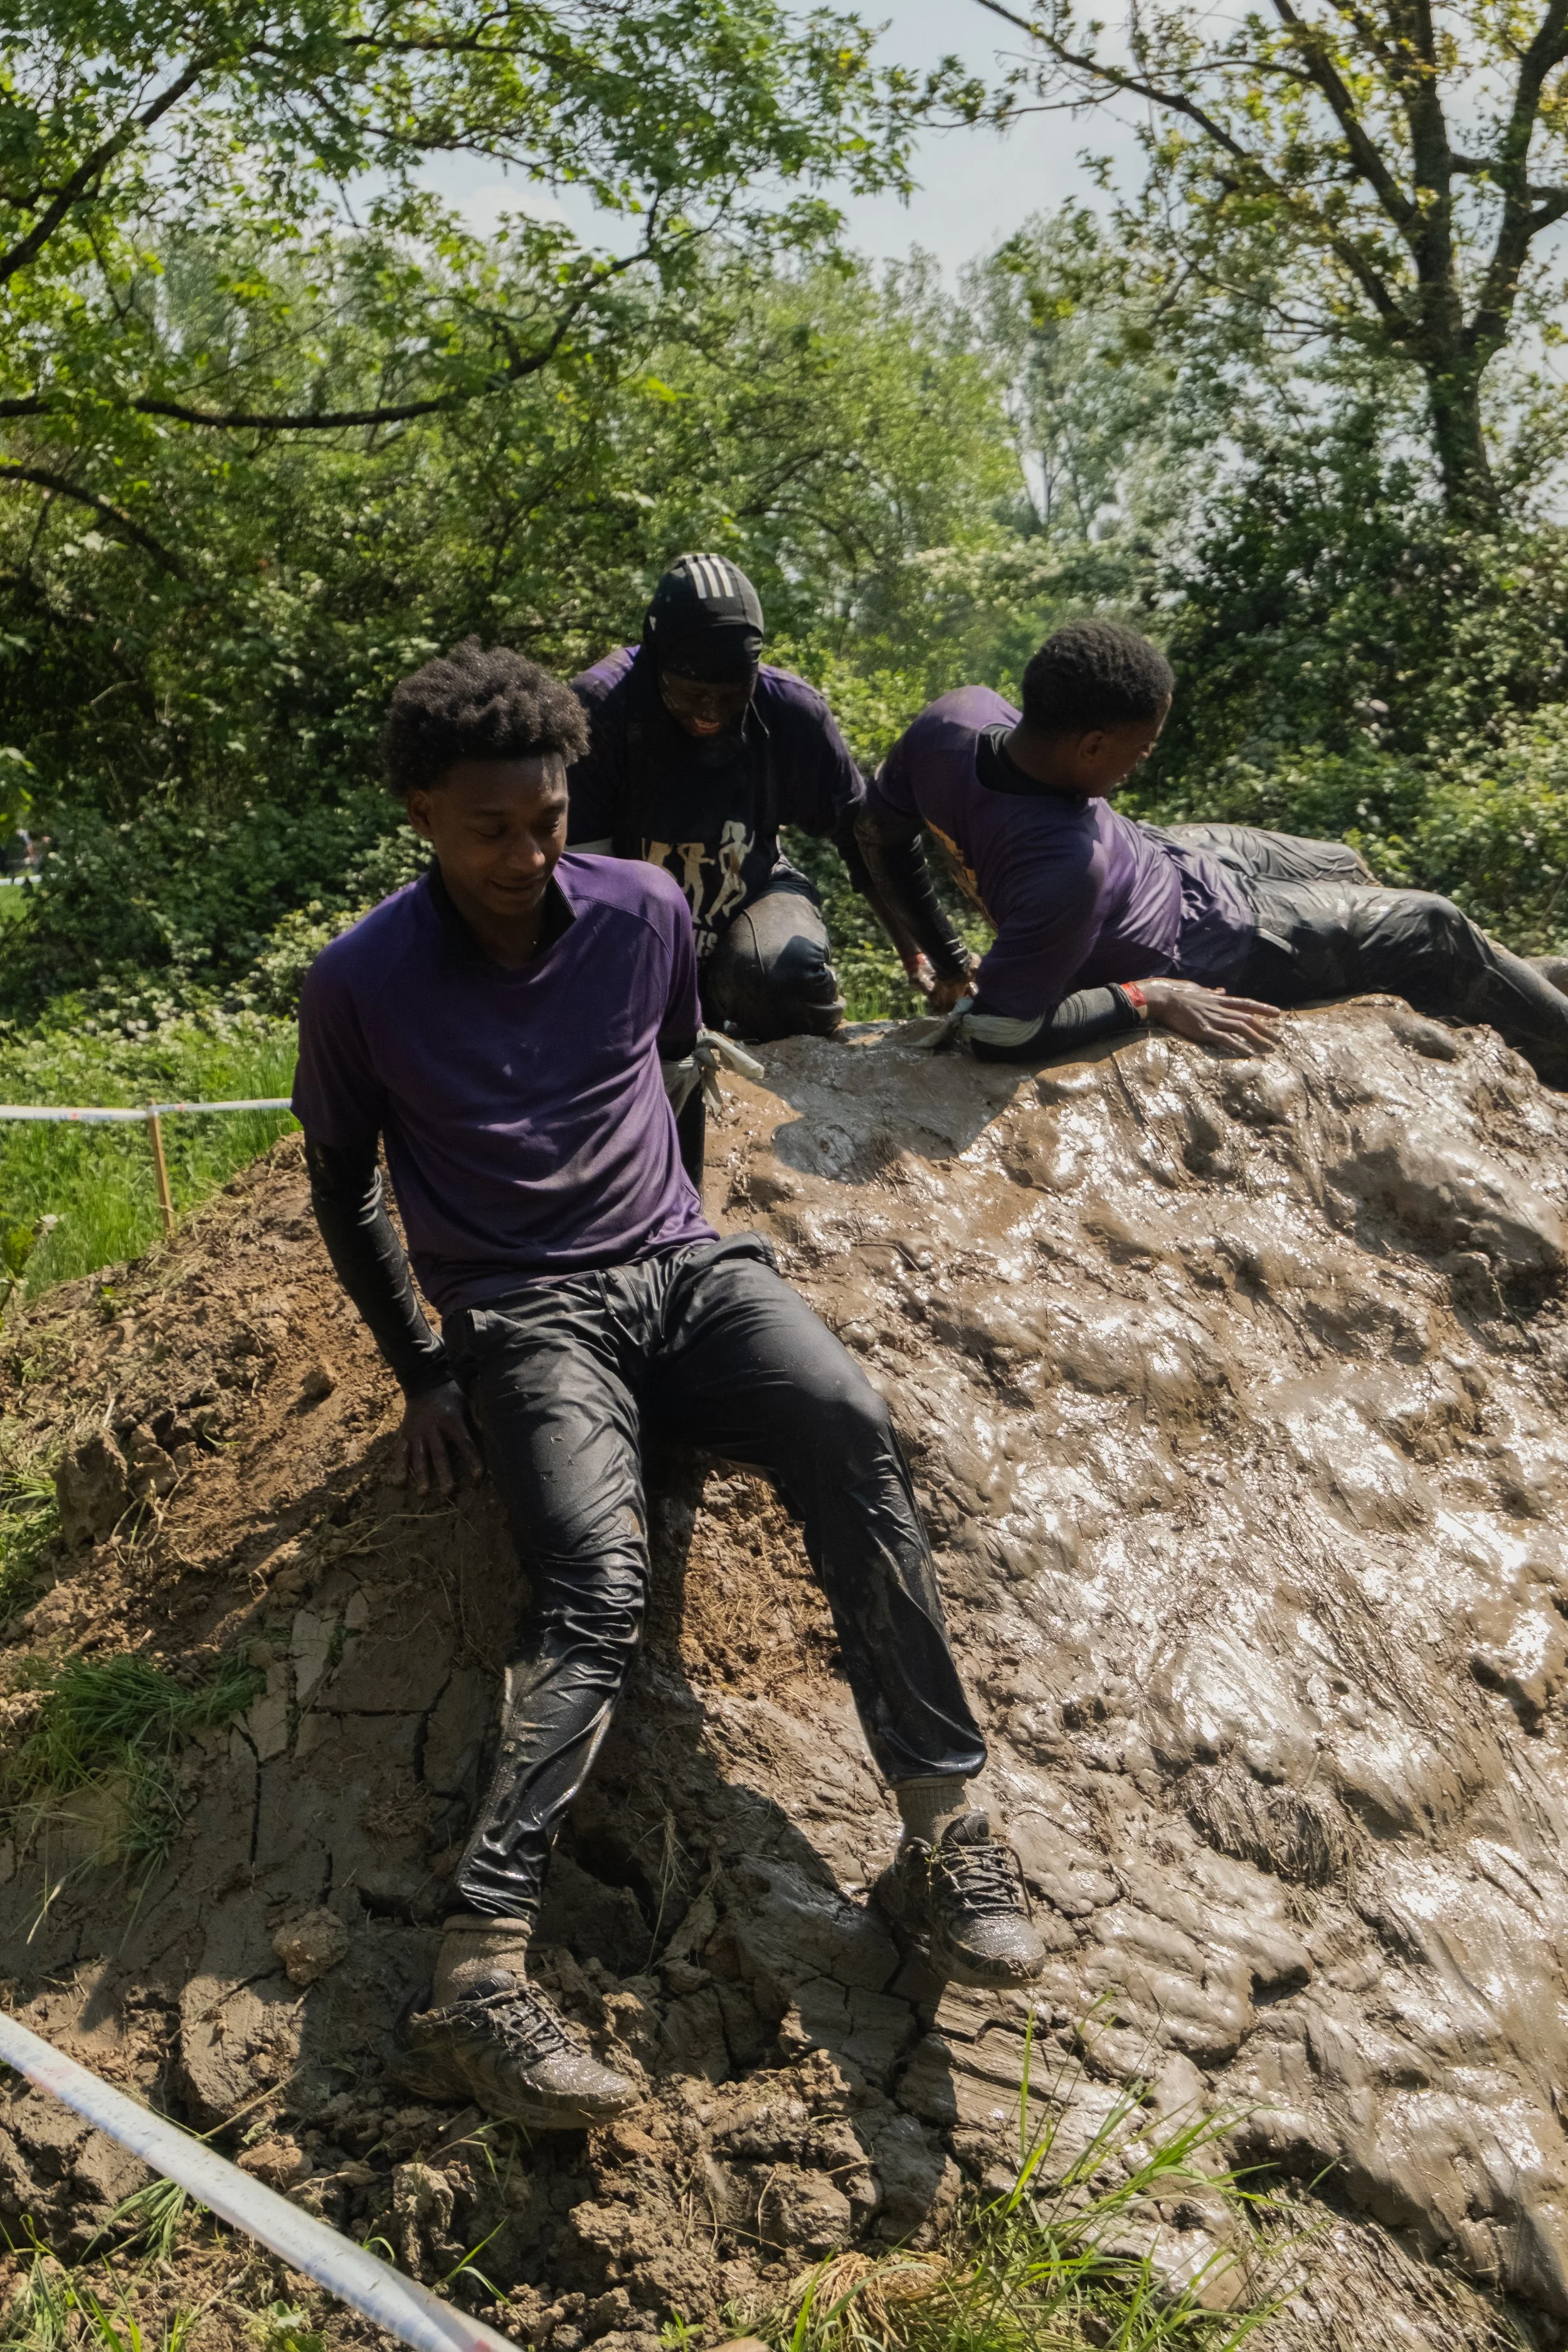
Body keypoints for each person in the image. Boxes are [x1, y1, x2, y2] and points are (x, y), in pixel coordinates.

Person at [292, 640, 1045, 2132]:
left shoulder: (643, 913)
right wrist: (425, 1370)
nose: (527, 854)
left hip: (681, 1268)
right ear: (421, 814)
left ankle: (941, 1827)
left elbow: (677, 1072)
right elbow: (342, 1183)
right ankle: (477, 1967)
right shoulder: (360, 979)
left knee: (847, 1424)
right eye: (490, 828)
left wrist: (688, 1239)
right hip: (522, 1309)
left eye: (549, 817)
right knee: (595, 1585)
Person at [857, 619, 1568, 1081]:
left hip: (1176, 853)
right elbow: (999, 1032)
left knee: (1343, 863)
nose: (1143, 760)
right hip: (1216, 941)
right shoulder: (1066, 868)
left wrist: (945, 957)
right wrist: (1147, 997)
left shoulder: (957, 719)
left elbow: (879, 834)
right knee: (1433, 928)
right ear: (1093, 746)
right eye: (1141, 748)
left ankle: (1512, 985)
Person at [566, 553, 972, 1039]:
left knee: (789, 981)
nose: (711, 713)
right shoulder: (598, 712)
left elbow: (867, 838)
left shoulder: (790, 713)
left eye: (732, 694)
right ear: (656, 665)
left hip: (752, 892)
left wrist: (921, 957)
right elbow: (583, 884)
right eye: (692, 694)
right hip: (631, 918)